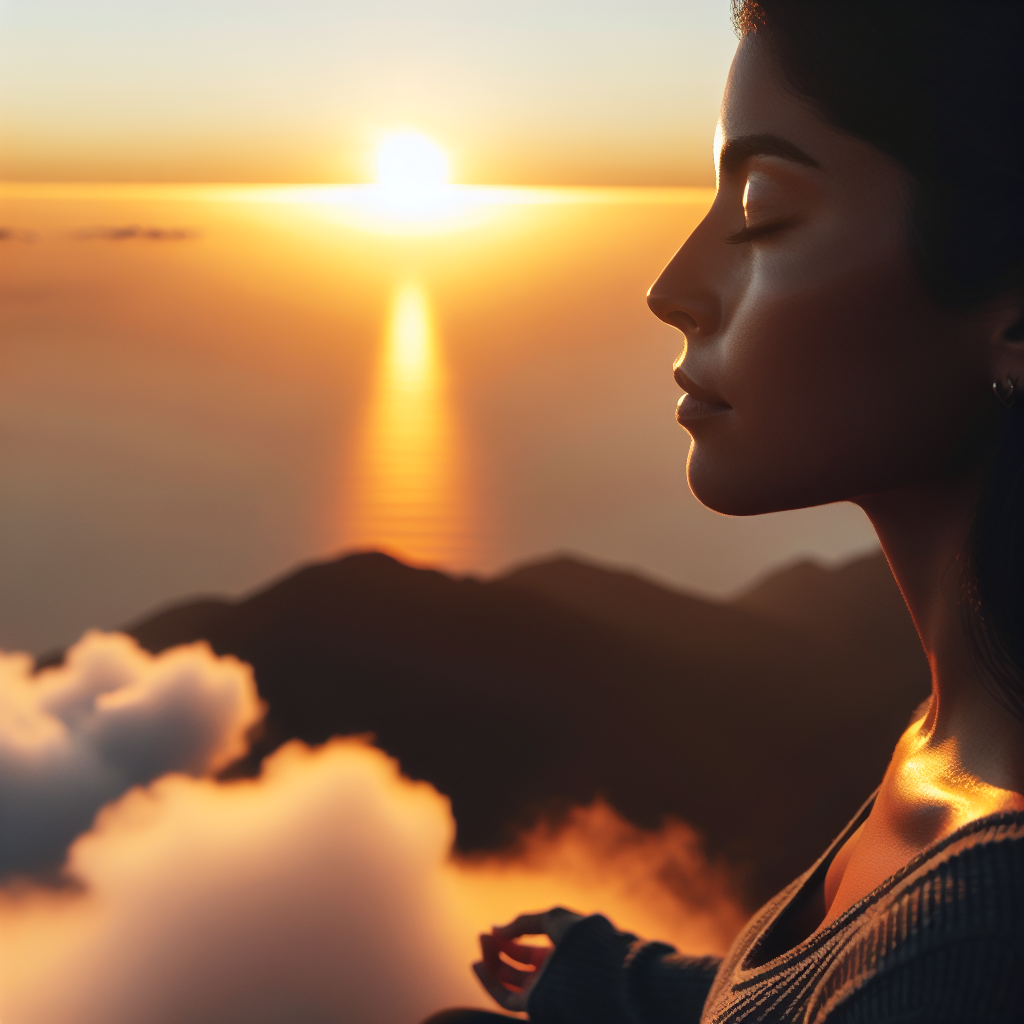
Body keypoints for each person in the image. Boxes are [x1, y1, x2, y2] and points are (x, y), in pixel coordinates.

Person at [423, 1, 1023, 1020]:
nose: (672, 287)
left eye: (760, 211)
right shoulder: (953, 740)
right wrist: (630, 986)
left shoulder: (974, 940)